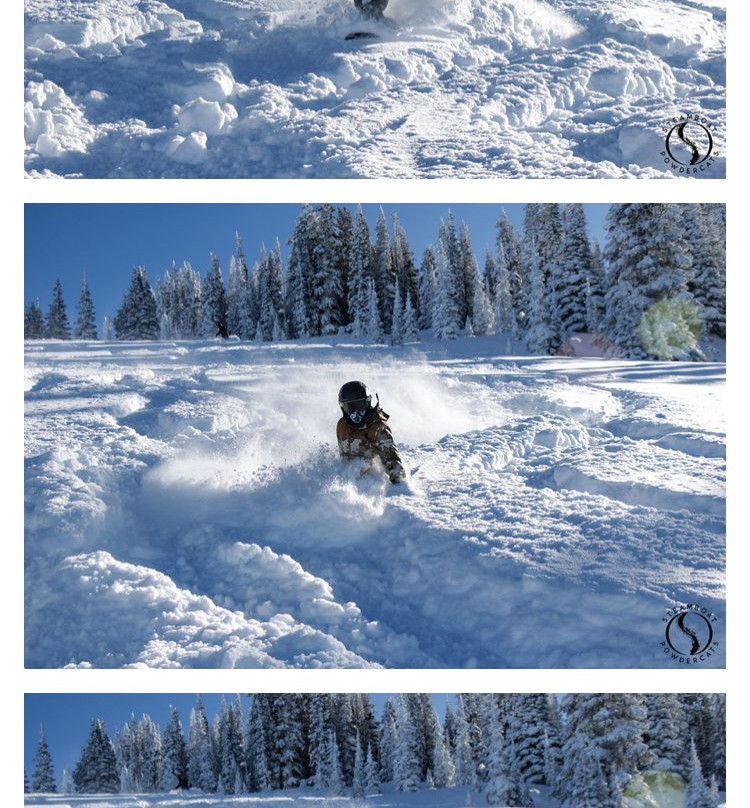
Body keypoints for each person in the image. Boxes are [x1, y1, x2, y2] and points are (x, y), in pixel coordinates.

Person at [337, 380, 406, 483]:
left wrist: (397, 481)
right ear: (343, 408)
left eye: (360, 405)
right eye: (350, 407)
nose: (356, 412)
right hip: (347, 482)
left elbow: (391, 457)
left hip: (370, 484)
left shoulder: (377, 427)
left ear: (368, 403)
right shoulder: (342, 425)